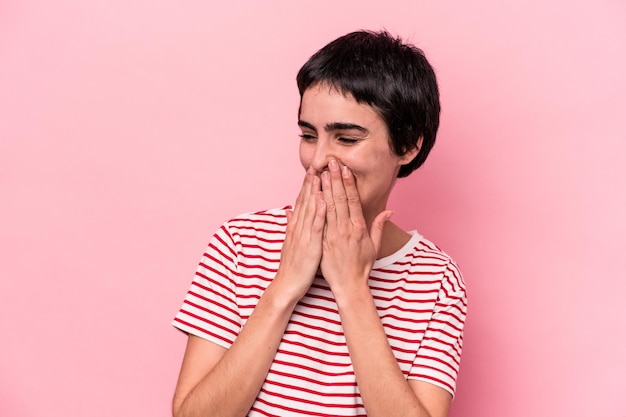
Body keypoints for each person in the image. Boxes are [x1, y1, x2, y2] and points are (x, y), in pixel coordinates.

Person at [171, 30, 467, 417]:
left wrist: (352, 289)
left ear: (408, 145)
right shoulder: (239, 243)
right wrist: (285, 285)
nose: (318, 160)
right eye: (309, 135)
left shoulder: (437, 280)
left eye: (346, 138)